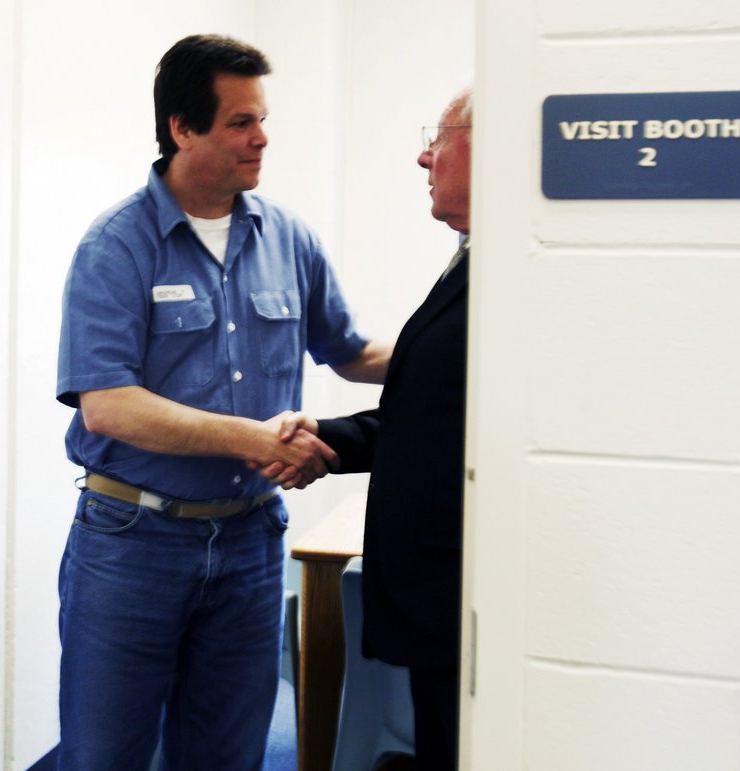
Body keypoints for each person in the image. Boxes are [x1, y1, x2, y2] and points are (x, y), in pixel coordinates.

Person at [55, 34, 391, 770]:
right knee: (105, 754)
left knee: (226, 754)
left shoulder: (288, 237)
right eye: (240, 122)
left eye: (261, 119)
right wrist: (256, 437)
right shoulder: (117, 245)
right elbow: (108, 405)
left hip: (247, 543)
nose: (261, 137)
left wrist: (463, 356)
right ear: (183, 127)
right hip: (132, 544)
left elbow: (352, 352)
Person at [261, 87, 472, 770]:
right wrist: (325, 436)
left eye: (438, 137)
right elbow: (432, 413)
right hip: (437, 602)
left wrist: (305, 444)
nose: (422, 156)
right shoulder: (472, 262)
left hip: (456, 598)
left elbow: (449, 422)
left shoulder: (514, 273)